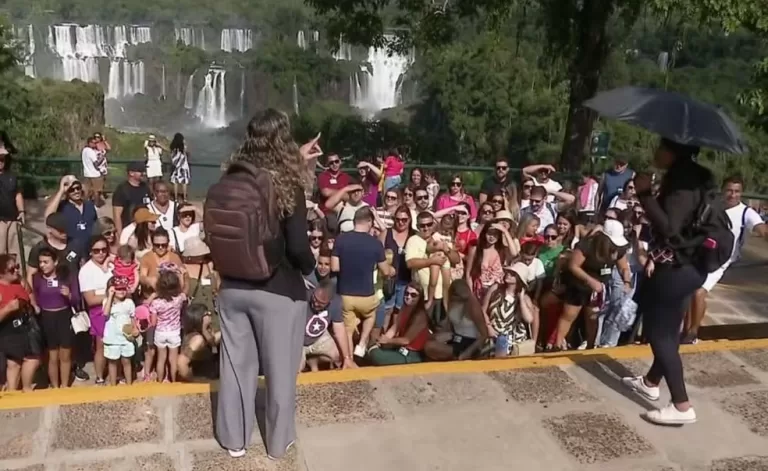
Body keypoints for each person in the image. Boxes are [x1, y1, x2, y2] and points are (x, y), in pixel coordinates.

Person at [212, 110, 316, 460]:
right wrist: (312, 271)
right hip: (277, 290)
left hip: (231, 286)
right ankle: (277, 443)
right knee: (280, 370)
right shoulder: (289, 184)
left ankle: (234, 441)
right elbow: (299, 247)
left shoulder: (231, 177)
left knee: (235, 367)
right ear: (283, 139)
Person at [621, 138, 714, 426]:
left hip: (675, 269)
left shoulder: (682, 183)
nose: (655, 151)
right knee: (669, 332)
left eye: (661, 147)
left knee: (660, 335)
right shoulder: (699, 177)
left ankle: (681, 405)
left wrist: (645, 194)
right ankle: (650, 382)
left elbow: (670, 228)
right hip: (690, 265)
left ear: (674, 152)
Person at [683, 175, 768, 344]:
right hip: (701, 253)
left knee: (699, 291)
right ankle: (687, 328)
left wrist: (765, 233)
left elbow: (761, 228)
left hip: (721, 259)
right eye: (729, 190)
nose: (733, 195)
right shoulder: (713, 206)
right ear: (723, 190)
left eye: (737, 191)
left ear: (742, 193)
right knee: (688, 291)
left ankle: (692, 333)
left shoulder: (746, 213)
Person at [332, 207, 394, 359]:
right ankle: (362, 343)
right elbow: (386, 271)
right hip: (366, 295)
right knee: (370, 316)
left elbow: (335, 267)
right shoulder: (375, 244)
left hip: (345, 294)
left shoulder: (341, 239)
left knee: (347, 329)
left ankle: (349, 359)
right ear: (369, 221)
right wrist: (392, 270)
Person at [31, 247, 80, 388]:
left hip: (64, 316)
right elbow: (34, 295)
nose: (42, 265)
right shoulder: (37, 278)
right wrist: (36, 306)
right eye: (40, 262)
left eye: (46, 262)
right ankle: (55, 385)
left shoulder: (66, 277)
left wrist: (69, 295)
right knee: (52, 356)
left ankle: (64, 385)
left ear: (55, 262)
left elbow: (76, 299)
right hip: (47, 318)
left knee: (65, 354)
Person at [0, 254, 39, 392]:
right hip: (9, 330)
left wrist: (34, 305)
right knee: (17, 362)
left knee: (23, 361)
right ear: (1, 273)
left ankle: (15, 391)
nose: (16, 270)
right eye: (12, 269)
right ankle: (18, 391)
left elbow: (29, 293)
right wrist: (8, 309)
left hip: (26, 326)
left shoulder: (18, 281)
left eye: (17, 267)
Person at [79, 236, 114, 385]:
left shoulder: (112, 264)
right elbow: (90, 299)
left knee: (118, 342)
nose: (101, 253)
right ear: (90, 252)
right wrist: (111, 294)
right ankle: (100, 376)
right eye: (96, 250)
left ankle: (115, 373)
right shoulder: (86, 271)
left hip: (117, 308)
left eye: (103, 250)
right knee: (101, 344)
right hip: (99, 311)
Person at [368, 282, 429, 365]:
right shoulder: (404, 308)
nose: (408, 297)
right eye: (407, 293)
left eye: (413, 295)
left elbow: (406, 340)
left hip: (412, 355)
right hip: (401, 349)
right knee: (372, 346)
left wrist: (388, 341)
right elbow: (395, 327)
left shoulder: (420, 316)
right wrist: (382, 340)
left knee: (375, 354)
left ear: (420, 298)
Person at [44, 175, 98, 259]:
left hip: (90, 251)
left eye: (78, 188)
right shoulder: (63, 206)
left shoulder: (89, 205)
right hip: (71, 252)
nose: (76, 191)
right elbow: (48, 216)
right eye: (71, 190)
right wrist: (61, 191)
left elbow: (96, 225)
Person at [26, 213, 81, 291]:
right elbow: (31, 275)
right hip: (48, 293)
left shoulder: (75, 245)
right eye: (60, 229)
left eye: (66, 228)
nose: (64, 231)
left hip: (73, 292)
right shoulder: (39, 248)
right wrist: (32, 298)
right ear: (49, 229)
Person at [151, 266, 186, 382]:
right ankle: (174, 381)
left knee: (161, 359)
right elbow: (183, 289)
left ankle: (160, 380)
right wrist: (181, 275)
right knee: (173, 359)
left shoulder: (156, 303)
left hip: (160, 332)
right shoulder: (179, 299)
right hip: (174, 332)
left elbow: (153, 322)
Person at [300, 279, 342, 372]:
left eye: (320, 304)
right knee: (297, 368)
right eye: (315, 299)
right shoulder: (304, 294)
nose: (315, 303)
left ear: (329, 302)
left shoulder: (336, 303)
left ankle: (313, 361)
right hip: (298, 340)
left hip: (318, 338)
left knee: (338, 355)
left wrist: (347, 357)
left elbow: (339, 330)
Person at [103, 275, 137, 386]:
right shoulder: (107, 302)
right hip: (112, 338)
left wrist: (135, 328)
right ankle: (113, 384)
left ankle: (129, 383)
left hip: (125, 337)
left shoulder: (129, 303)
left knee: (126, 361)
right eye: (118, 288)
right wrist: (110, 296)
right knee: (112, 362)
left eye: (124, 288)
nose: (122, 291)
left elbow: (133, 318)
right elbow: (105, 313)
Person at [177, 303, 221, 381]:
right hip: (201, 382)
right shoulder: (198, 339)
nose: (210, 315)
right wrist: (194, 381)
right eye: (207, 313)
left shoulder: (205, 335)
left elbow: (213, 343)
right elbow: (181, 362)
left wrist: (205, 330)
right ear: (199, 317)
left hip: (209, 381)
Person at [112, 161, 151, 236]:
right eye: (140, 171)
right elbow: (117, 215)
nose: (144, 173)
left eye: (144, 171)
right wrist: (120, 236)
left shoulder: (146, 187)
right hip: (129, 230)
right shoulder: (122, 190)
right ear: (131, 173)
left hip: (145, 230)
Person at [0, 145, 24, 258]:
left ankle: (14, 273)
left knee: (14, 253)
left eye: (2, 158)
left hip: (12, 219)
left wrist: (22, 211)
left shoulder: (12, 176)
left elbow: (17, 194)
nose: (1, 161)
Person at [81, 137, 106, 206]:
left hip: (86, 173)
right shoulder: (91, 152)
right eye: (94, 143)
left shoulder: (84, 150)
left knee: (86, 191)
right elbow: (96, 164)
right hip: (95, 174)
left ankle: (84, 204)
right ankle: (96, 205)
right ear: (89, 143)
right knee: (96, 191)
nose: (95, 144)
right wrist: (102, 157)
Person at [169, 133, 191, 202]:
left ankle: (175, 198)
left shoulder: (173, 148)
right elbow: (188, 153)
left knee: (175, 183)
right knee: (184, 183)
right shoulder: (183, 147)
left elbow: (171, 157)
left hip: (176, 167)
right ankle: (184, 198)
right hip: (184, 167)